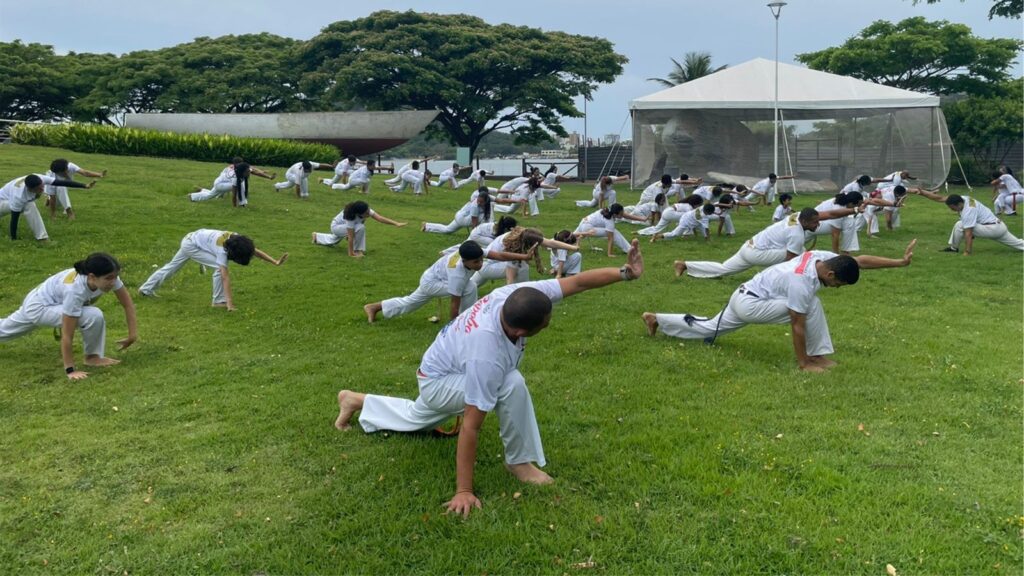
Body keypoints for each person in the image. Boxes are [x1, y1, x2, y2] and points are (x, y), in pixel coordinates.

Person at [334, 239, 645, 518]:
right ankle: (518, 462)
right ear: (521, 331)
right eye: (546, 322)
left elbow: (577, 283)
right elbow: (471, 424)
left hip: (440, 372)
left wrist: (625, 272)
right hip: (439, 380)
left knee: (419, 417)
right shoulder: (489, 354)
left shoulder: (518, 296)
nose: (550, 321)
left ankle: (356, 400)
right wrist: (463, 491)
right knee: (510, 384)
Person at [643, 239, 916, 372]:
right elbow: (797, 326)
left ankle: (658, 319)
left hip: (744, 296)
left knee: (709, 328)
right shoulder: (801, 282)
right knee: (810, 306)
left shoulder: (822, 257)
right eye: (838, 285)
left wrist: (900, 262)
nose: (836, 289)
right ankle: (815, 357)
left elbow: (861, 260)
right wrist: (803, 362)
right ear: (830, 275)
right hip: (750, 303)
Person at [0, 253, 137, 380]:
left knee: (3, 330)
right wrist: (70, 370)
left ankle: (93, 357)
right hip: (39, 307)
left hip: (48, 302)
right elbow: (67, 333)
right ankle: (92, 358)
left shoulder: (108, 277)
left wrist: (132, 335)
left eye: (115, 276)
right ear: (92, 277)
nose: (113, 281)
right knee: (93, 315)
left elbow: (127, 304)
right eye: (109, 278)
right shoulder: (75, 291)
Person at [676, 207, 855, 279]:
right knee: (801, 256)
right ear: (807, 222)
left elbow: (829, 214)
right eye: (816, 223)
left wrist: (853, 210)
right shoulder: (796, 234)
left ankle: (685, 265)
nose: (819, 224)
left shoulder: (797, 215)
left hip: (749, 246)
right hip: (756, 253)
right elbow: (790, 261)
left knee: (724, 269)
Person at [139, 229, 288, 309]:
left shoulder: (236, 239)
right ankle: (218, 301)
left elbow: (253, 250)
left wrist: (274, 261)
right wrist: (229, 303)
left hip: (191, 238)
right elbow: (225, 276)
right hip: (192, 244)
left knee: (171, 267)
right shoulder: (222, 250)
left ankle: (145, 289)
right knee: (219, 268)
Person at [364, 241, 485, 324]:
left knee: (410, 303)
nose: (480, 264)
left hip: (431, 278)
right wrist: (454, 327)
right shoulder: (457, 274)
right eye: (476, 262)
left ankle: (374, 307)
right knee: (470, 287)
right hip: (432, 283)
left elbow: (495, 254)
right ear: (464, 260)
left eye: (481, 260)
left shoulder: (467, 250)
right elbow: (454, 303)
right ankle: (465, 322)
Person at [913, 189, 1024, 253]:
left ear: (958, 204)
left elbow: (968, 233)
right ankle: (953, 248)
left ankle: (954, 248)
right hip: (999, 227)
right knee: (1019, 244)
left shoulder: (968, 211)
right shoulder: (963, 198)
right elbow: (940, 198)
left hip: (992, 229)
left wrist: (967, 252)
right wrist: (923, 193)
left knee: (960, 225)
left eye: (952, 208)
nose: (951, 209)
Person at [471, 228, 576, 287]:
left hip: (486, 264)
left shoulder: (524, 234)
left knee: (471, 286)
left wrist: (573, 247)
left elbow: (550, 243)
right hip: (487, 266)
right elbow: (510, 276)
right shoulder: (512, 246)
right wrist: (509, 291)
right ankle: (523, 291)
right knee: (522, 266)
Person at [1, 174, 93, 241]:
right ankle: (42, 238)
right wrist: (14, 239)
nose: (42, 189)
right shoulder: (19, 196)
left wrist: (84, 186)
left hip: (7, 201)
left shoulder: (39, 178)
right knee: (29, 204)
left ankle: (42, 237)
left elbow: (60, 182)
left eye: (42, 186)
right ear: (30, 189)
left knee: (29, 203)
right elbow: (14, 218)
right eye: (39, 189)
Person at [312, 200, 407, 257]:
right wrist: (351, 253)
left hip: (343, 228)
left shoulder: (365, 210)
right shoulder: (351, 217)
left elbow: (380, 218)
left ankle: (317, 237)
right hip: (336, 227)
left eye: (368, 210)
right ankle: (357, 250)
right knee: (360, 227)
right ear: (359, 213)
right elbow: (350, 236)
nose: (368, 213)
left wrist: (396, 223)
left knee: (335, 240)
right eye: (366, 213)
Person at [574, 203, 646, 256]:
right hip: (588, 228)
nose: (622, 215)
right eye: (620, 214)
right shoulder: (609, 220)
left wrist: (642, 219)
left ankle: (572, 240)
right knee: (614, 232)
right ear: (615, 214)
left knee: (571, 238)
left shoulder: (610, 209)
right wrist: (609, 254)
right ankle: (630, 250)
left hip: (583, 222)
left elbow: (625, 215)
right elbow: (610, 238)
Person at [423, 189, 492, 234]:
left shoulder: (488, 202)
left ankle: (427, 226)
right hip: (462, 219)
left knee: (447, 230)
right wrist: (474, 235)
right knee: (483, 217)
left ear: (486, 201)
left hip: (460, 215)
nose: (479, 203)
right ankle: (485, 232)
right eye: (478, 201)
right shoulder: (475, 206)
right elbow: (474, 222)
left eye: (481, 202)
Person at [637, 194, 705, 237]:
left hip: (666, 212)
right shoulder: (689, 207)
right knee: (688, 218)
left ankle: (640, 232)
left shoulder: (685, 205)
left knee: (657, 228)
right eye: (699, 205)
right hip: (670, 213)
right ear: (695, 204)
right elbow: (692, 219)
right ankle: (686, 234)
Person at [650, 203, 716, 242]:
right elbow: (707, 229)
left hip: (687, 216)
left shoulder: (703, 207)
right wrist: (709, 238)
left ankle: (706, 239)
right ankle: (657, 236)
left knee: (701, 226)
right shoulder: (704, 217)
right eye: (711, 213)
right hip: (686, 222)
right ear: (708, 212)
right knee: (675, 234)